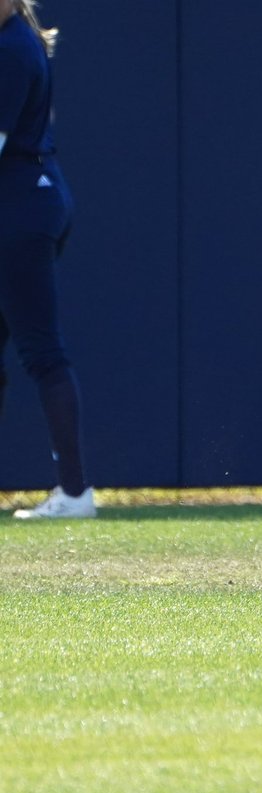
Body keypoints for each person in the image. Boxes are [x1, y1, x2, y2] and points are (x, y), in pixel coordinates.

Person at [0, 0, 94, 519]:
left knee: (42, 352)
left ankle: (76, 492)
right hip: (24, 202)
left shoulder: (13, 48)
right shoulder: (17, 42)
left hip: (22, 212)